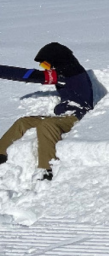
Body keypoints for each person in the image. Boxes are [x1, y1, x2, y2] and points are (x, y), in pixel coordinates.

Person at [0, 42, 94, 179]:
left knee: (47, 125)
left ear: (57, 59)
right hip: (64, 115)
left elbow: (29, 75)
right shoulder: (67, 72)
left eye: (46, 65)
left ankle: (47, 169)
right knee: (23, 122)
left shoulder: (71, 71)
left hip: (75, 116)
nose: (46, 69)